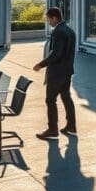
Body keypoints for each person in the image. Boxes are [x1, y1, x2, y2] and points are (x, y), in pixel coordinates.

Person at [34, 7, 77, 140]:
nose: (48, 22)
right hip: (67, 71)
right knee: (66, 97)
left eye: (48, 19)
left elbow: (56, 54)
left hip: (57, 72)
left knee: (50, 99)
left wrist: (41, 64)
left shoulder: (58, 32)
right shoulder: (70, 30)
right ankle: (71, 126)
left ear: (55, 18)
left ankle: (52, 130)